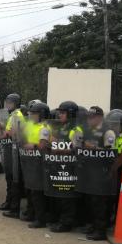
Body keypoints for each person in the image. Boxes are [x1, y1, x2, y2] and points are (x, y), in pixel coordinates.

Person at [81, 106, 117, 241]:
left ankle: (100, 230)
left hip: (102, 171)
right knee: (90, 200)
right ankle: (93, 226)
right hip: (90, 170)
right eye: (88, 117)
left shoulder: (108, 132)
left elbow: (110, 154)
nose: (90, 120)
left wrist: (94, 148)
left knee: (99, 201)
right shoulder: (88, 131)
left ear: (100, 117)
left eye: (93, 117)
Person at [48, 100, 83, 233]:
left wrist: (57, 145)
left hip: (71, 167)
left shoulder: (76, 130)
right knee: (60, 195)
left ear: (71, 114)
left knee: (67, 196)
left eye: (63, 113)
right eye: (59, 112)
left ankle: (66, 223)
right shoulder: (62, 128)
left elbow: (77, 150)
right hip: (61, 165)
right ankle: (61, 219)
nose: (59, 115)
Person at [22, 102, 52, 229]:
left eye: (35, 114)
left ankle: (40, 220)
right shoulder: (31, 125)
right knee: (31, 190)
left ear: (42, 115)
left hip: (40, 162)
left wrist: (32, 145)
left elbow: (42, 145)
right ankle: (31, 214)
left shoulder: (44, 128)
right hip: (30, 162)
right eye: (31, 113)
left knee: (38, 191)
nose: (32, 116)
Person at [0, 93, 24, 216]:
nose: (7, 104)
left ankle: (14, 209)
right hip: (12, 149)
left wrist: (0, 132)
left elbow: (11, 133)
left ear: (16, 104)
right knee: (9, 178)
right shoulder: (13, 115)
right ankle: (9, 202)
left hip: (16, 151)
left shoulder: (16, 116)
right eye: (6, 102)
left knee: (14, 180)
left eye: (10, 103)